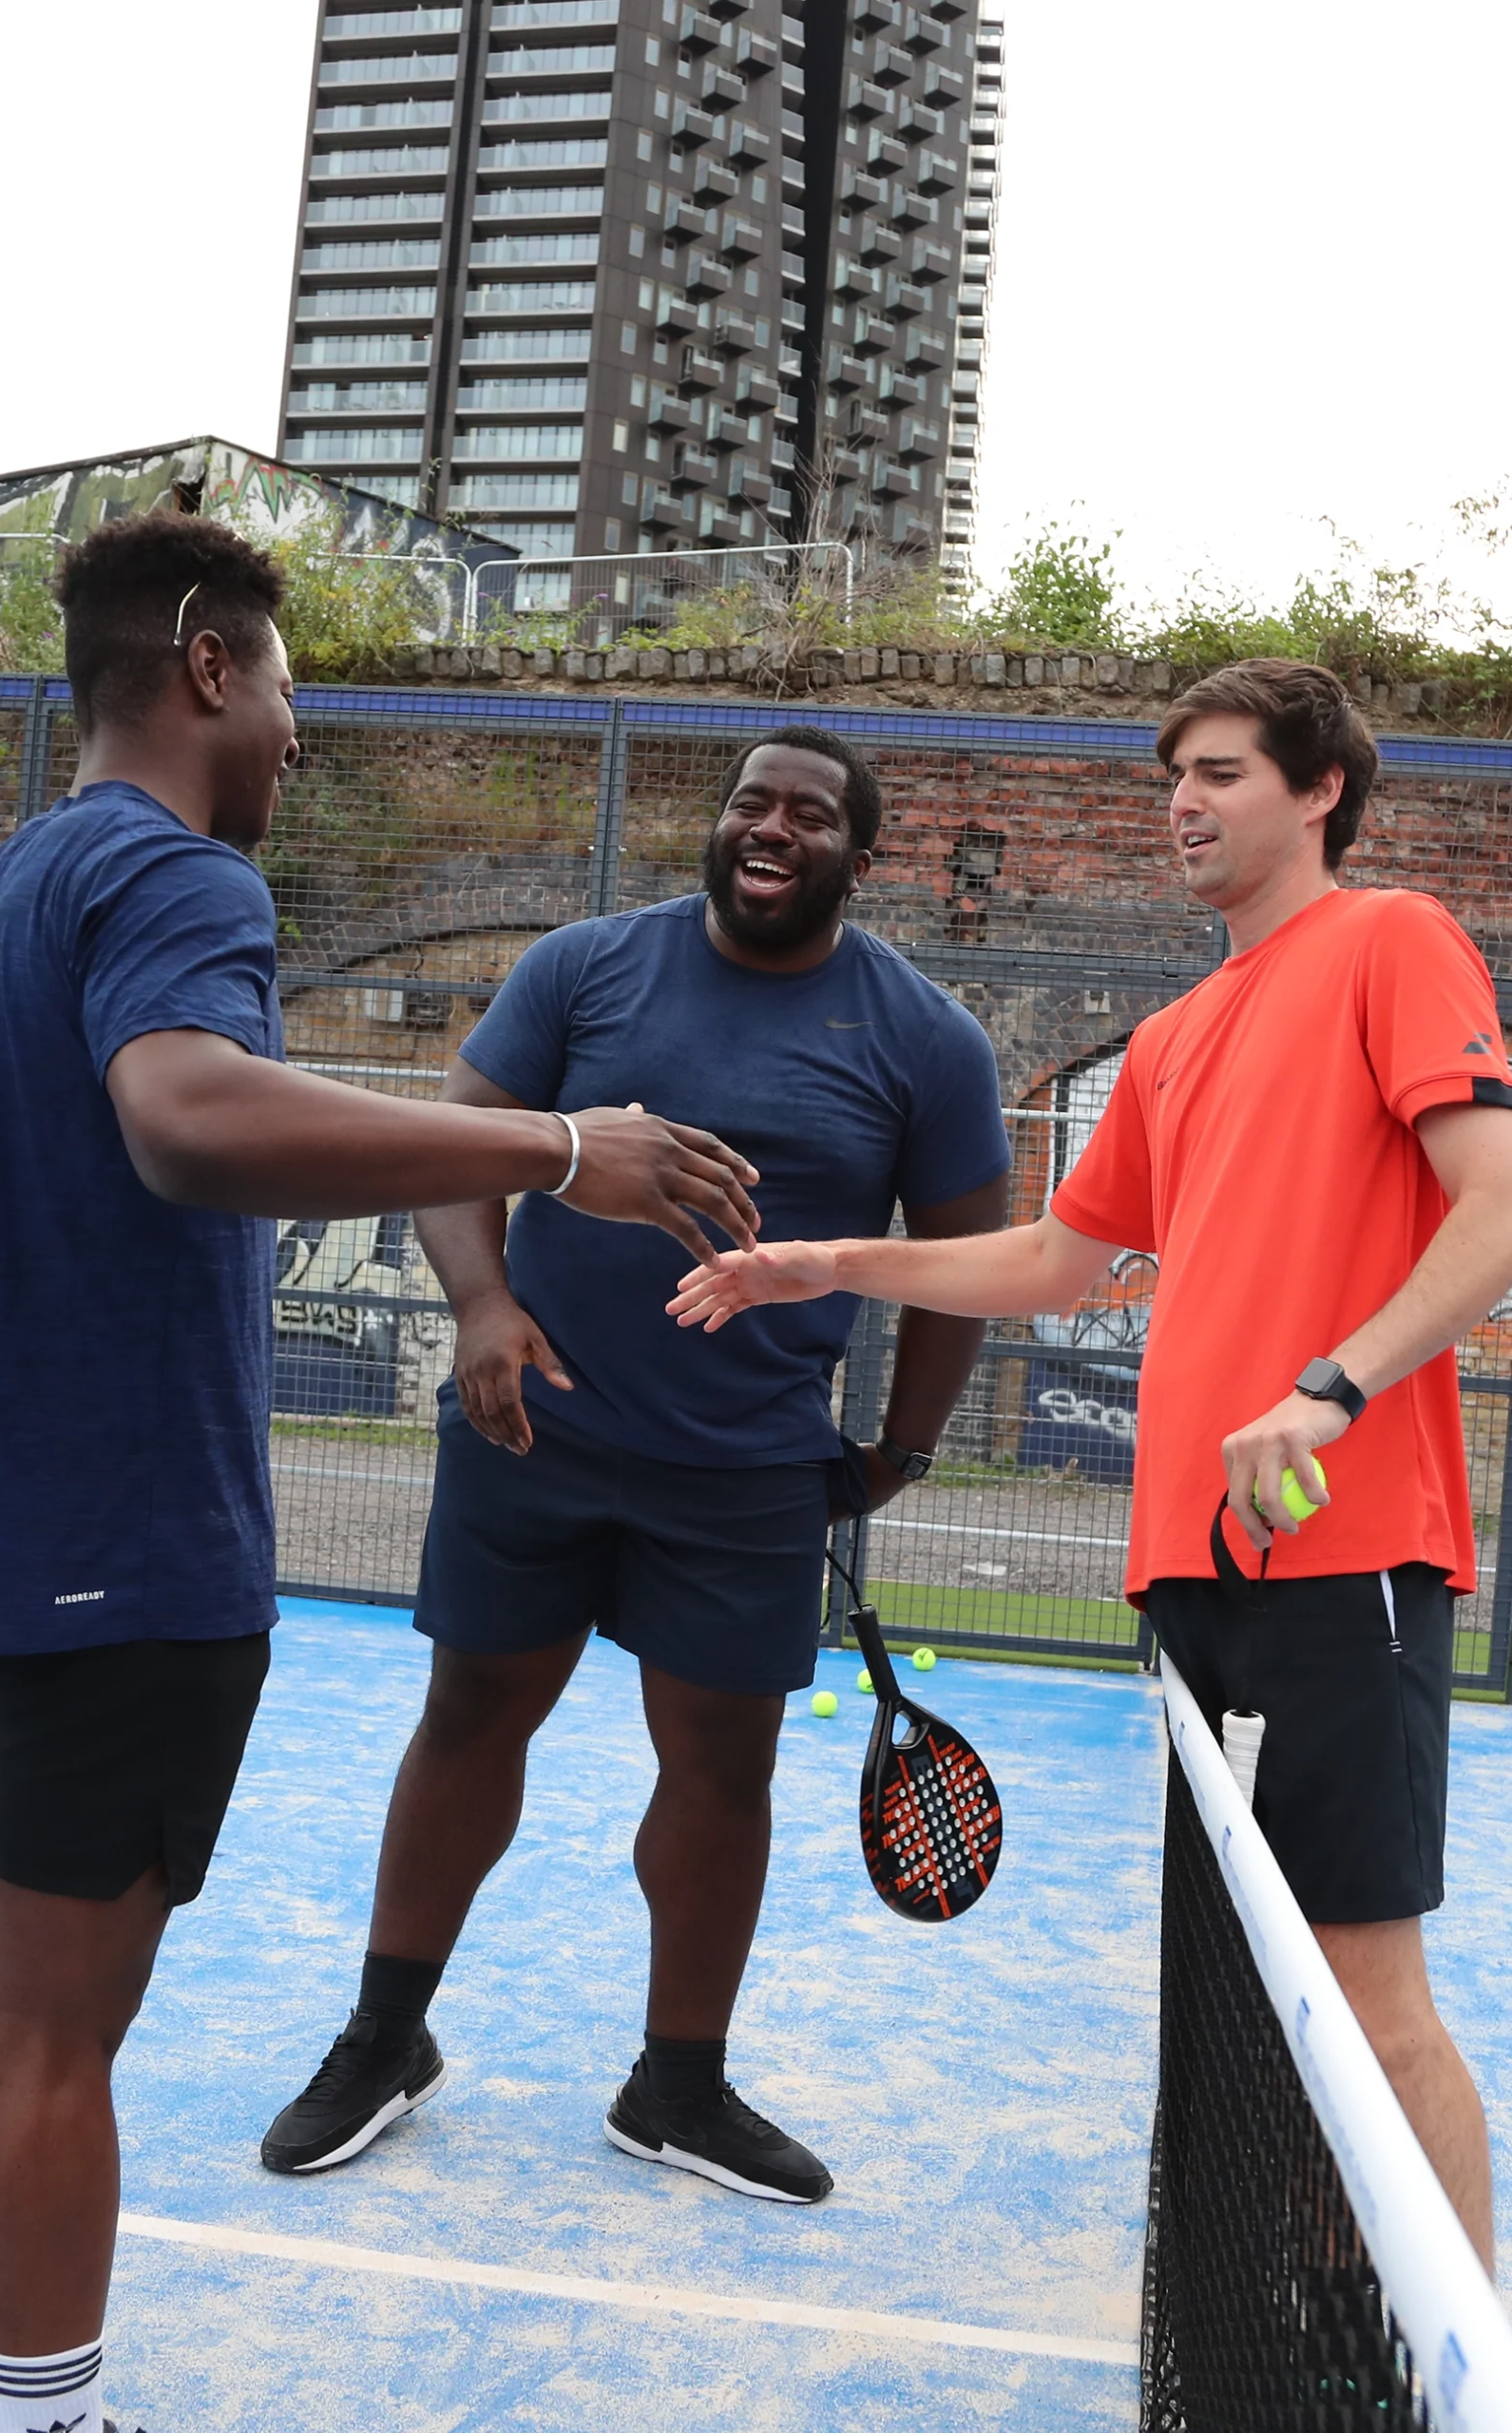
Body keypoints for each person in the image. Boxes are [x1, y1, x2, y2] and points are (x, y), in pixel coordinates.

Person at [0, 513, 764, 2433]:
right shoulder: (180, 879)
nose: (301, 738)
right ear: (207, 666)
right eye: (293, 690)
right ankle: (49, 2416)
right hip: (115, 1543)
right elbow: (184, 1116)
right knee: (55, 2021)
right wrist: (551, 1147)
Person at [671, 661, 1512, 2268]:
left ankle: (1449, 2363)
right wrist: (822, 1262)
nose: (1184, 805)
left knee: (1367, 1988)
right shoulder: (1183, 1033)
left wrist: (1328, 1391)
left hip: (1347, 1552)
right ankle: (1325, 2318)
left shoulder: (1391, 944)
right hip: (1197, 1568)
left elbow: (1498, 1203)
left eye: (1223, 774)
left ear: (1321, 788)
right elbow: (1056, 1262)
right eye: (1172, 778)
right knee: (1262, 1979)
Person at [261, 725, 1010, 2206]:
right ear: (720, 828)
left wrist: (902, 1455)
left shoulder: (924, 1038)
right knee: (471, 1718)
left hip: (744, 1471)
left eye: (809, 813)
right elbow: (456, 1144)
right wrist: (482, 1302)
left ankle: (678, 2085)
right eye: (751, 803)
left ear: (862, 855)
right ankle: (386, 2038)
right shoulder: (585, 967)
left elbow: (964, 1264)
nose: (771, 827)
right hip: (534, 1432)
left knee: (721, 1767)